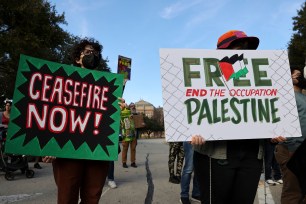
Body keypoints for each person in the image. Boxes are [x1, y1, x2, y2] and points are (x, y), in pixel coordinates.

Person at [190, 30, 286, 204]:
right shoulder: (203, 79)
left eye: (248, 49)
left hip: (251, 156)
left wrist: (274, 132)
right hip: (216, 156)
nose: (244, 53)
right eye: (238, 48)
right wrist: (191, 130)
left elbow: (269, 112)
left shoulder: (262, 79)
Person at [43, 38, 126, 204]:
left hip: (97, 152)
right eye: (87, 52)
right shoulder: (63, 82)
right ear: (77, 58)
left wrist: (118, 107)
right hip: (67, 151)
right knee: (67, 197)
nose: (92, 55)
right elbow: (51, 113)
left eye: (95, 53)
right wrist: (49, 145)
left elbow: (108, 120)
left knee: (92, 197)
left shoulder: (107, 87)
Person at [274, 67, 306, 204]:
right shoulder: (286, 97)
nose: (300, 77)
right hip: (291, 150)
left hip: (301, 150)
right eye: (297, 75)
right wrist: (292, 149)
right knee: (293, 190)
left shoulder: (303, 96)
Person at [121, 104, 137, 168]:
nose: (133, 107)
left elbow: (138, 123)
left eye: (134, 106)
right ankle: (124, 162)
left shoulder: (135, 115)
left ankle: (133, 162)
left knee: (133, 149)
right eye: (131, 106)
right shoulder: (123, 114)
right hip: (125, 135)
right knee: (125, 149)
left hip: (133, 134)